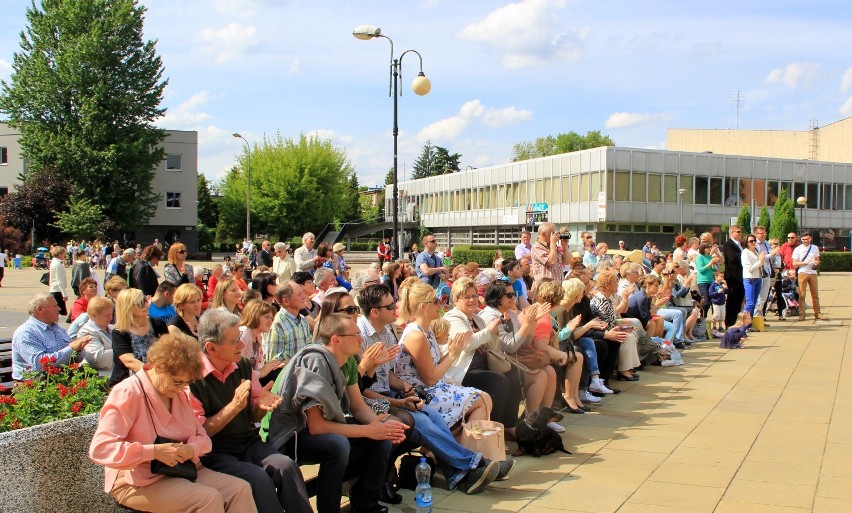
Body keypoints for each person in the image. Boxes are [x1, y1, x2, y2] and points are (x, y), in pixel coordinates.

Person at [357, 284, 506, 493]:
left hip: (404, 393)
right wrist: (453, 354)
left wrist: (403, 386)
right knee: (434, 417)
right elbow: (359, 387)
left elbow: (387, 374)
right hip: (391, 397)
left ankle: (464, 471)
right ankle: (475, 464)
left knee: (442, 414)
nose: (395, 307)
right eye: (390, 305)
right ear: (424, 307)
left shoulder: (387, 332)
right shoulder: (363, 335)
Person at [89, 334, 258, 513]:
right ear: (158, 367)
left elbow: (202, 437)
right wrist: (153, 452)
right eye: (177, 382)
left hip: (181, 470)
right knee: (208, 499)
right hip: (137, 481)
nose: (181, 387)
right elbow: (101, 449)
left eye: (187, 383)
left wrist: (191, 449)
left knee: (240, 489)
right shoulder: (128, 392)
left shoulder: (181, 393)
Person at [263, 313, 407, 513]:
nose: (361, 339)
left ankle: (365, 503)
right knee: (337, 445)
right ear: (336, 340)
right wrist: (369, 430)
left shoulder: (346, 360)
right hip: (290, 436)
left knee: (384, 436)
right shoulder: (316, 360)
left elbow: (357, 406)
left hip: (315, 429)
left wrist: (378, 425)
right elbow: (316, 426)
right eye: (355, 335)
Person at [188, 309, 312, 513]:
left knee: (286, 466)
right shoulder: (192, 378)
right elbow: (200, 433)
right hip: (215, 451)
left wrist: (260, 407)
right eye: (234, 340)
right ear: (211, 348)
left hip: (247, 442)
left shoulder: (242, 365)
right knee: (258, 478)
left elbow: (254, 415)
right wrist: (233, 407)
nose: (242, 345)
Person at [394, 281, 492, 430]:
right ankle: (460, 449)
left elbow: (435, 366)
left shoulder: (426, 330)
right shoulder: (416, 335)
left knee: (483, 399)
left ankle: (458, 448)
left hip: (433, 388)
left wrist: (454, 350)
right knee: (483, 400)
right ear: (423, 307)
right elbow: (430, 378)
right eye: (436, 300)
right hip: (420, 395)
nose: (440, 304)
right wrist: (453, 355)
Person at [443, 278, 521, 434]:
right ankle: (492, 430)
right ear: (456, 299)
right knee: (498, 381)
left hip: (483, 366)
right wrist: (489, 330)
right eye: (467, 297)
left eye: (473, 296)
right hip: (463, 372)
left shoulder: (477, 319)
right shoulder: (452, 318)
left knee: (513, 373)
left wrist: (496, 330)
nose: (472, 300)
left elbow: (491, 346)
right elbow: (467, 344)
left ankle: (509, 424)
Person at [11, 293, 91, 380]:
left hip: (61, 377)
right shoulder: (26, 333)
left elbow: (74, 357)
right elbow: (40, 364)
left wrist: (78, 349)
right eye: (55, 306)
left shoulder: (58, 328)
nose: (59, 308)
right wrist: (71, 348)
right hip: (35, 384)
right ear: (40, 309)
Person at [109, 288, 169, 387]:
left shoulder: (158, 324)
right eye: (140, 303)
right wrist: (154, 375)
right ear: (128, 307)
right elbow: (129, 361)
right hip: (130, 382)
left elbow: (168, 350)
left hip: (159, 378)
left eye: (145, 300)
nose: (145, 304)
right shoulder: (120, 332)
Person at [264, 281, 312, 364]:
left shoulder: (303, 320)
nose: (304, 297)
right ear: (286, 301)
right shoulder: (277, 325)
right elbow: (272, 362)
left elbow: (309, 348)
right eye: (299, 294)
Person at [240, 299, 286, 384]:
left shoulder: (258, 337)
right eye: (266, 317)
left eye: (272, 318)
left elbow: (254, 368)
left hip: (252, 380)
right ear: (255, 315)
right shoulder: (245, 332)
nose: (270, 321)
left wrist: (271, 366)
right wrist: (261, 372)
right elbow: (238, 368)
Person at [792, 232, 827, 321]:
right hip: (802, 272)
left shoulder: (814, 248)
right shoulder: (798, 249)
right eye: (803, 239)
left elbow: (818, 260)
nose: (805, 241)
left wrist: (816, 263)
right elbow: (794, 263)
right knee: (802, 295)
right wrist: (805, 263)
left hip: (812, 272)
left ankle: (817, 313)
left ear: (810, 239)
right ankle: (802, 314)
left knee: (815, 294)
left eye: (807, 239)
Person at [530, 222, 570, 299]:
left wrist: (565, 247)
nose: (555, 235)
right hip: (545, 290)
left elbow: (567, 261)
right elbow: (551, 262)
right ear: (543, 234)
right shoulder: (537, 247)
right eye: (553, 233)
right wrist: (552, 244)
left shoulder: (553, 247)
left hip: (557, 287)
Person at [721, 225, 745, 327]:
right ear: (732, 233)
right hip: (733, 276)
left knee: (739, 299)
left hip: (742, 275)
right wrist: (745, 254)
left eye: (740, 232)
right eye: (737, 232)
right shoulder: (728, 245)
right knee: (732, 299)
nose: (740, 234)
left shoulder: (741, 245)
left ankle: (736, 321)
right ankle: (729, 322)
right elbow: (733, 257)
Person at [741, 234, 765, 319]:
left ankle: (749, 324)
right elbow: (749, 268)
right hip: (749, 278)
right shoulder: (745, 252)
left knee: (754, 302)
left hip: (758, 278)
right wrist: (760, 261)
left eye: (754, 240)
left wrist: (762, 261)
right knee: (750, 302)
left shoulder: (756, 251)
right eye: (751, 241)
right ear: (746, 243)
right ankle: (742, 321)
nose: (753, 242)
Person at [47, 245, 70, 317]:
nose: (65, 255)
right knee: (60, 313)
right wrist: (64, 294)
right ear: (59, 254)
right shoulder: (58, 264)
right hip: (57, 291)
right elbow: (59, 280)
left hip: (54, 289)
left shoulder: (54, 262)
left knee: (57, 313)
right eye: (63, 253)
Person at [708, 272, 728, 337]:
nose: (722, 277)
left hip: (722, 302)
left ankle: (720, 326)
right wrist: (717, 292)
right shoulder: (713, 285)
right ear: (716, 277)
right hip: (716, 302)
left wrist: (726, 288)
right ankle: (713, 326)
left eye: (723, 276)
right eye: (720, 276)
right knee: (716, 315)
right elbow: (710, 293)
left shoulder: (722, 284)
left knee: (722, 315)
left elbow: (726, 292)